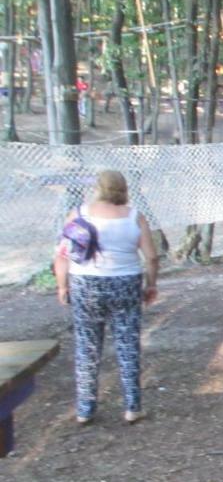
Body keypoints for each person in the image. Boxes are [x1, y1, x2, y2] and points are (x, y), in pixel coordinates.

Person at [53, 170, 159, 425]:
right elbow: (152, 257)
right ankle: (133, 407)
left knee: (87, 347)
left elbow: (62, 255)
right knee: (127, 345)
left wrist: (62, 286)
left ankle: (85, 409)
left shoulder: (78, 215)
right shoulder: (135, 217)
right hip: (126, 284)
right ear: (123, 189)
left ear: (97, 189)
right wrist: (151, 284)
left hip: (86, 285)